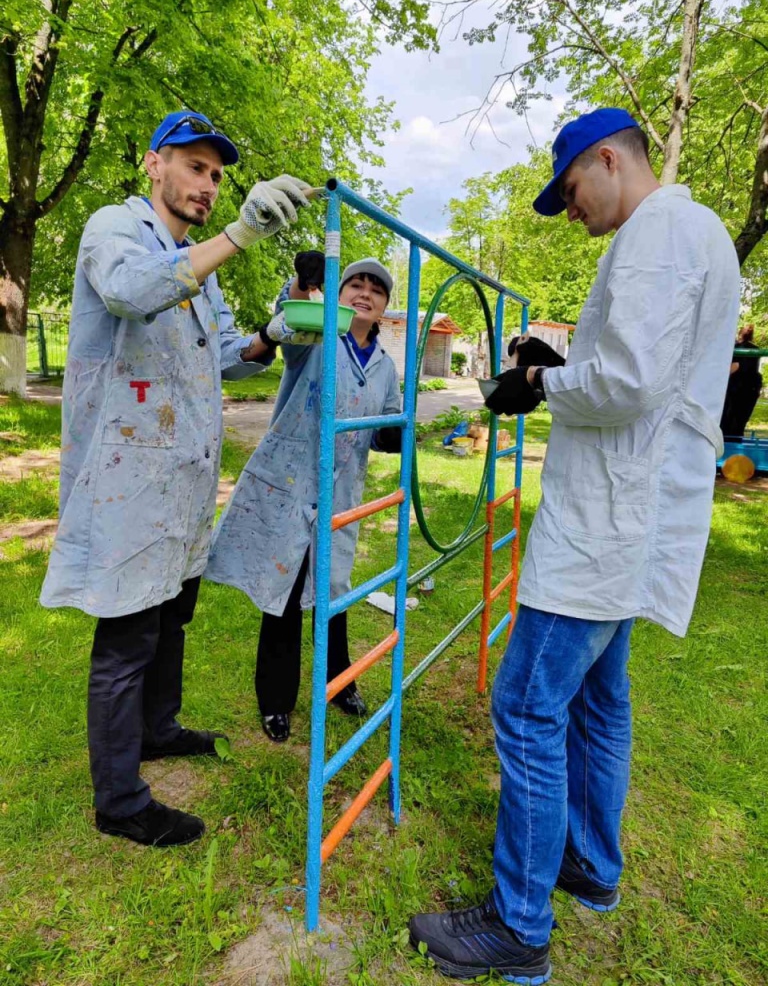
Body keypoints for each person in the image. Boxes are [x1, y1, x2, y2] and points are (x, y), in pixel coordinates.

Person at [409, 107, 741, 983]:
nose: (573, 209)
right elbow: (642, 360)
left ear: (606, 159)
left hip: (607, 520)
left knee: (525, 703)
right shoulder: (699, 231)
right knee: (600, 699)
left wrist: (537, 382)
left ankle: (519, 926)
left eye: (571, 190)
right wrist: (550, 357)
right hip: (637, 514)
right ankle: (590, 863)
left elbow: (627, 381)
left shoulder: (658, 232)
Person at [40, 109, 314, 847]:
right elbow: (131, 292)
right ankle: (120, 802)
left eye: (219, 176)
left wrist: (267, 337)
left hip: (183, 480)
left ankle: (157, 730)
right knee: (127, 637)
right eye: (195, 167)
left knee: (171, 617)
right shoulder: (114, 228)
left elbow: (217, 350)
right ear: (154, 165)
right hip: (127, 476)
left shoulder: (197, 260)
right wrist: (240, 237)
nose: (209, 185)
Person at [205, 254, 402, 742]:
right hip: (291, 484)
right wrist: (300, 283)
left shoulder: (385, 366)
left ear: (383, 307)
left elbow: (387, 422)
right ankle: (275, 701)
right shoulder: (315, 339)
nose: (364, 293)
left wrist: (393, 436)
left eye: (375, 289)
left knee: (334, 591)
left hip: (341, 493)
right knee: (285, 594)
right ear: (335, 295)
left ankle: (340, 685)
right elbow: (288, 319)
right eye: (354, 283)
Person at [720, 324, 764, 439]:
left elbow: (736, 365)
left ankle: (728, 447)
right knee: (739, 423)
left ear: (740, 334)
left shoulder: (736, 347)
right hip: (750, 389)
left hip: (736, 389)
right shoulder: (756, 349)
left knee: (728, 422)